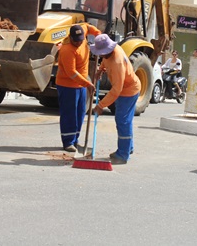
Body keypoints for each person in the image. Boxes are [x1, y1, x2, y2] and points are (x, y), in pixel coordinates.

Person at [91, 34, 141, 165]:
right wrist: (101, 70)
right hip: (126, 88)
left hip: (129, 90)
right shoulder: (110, 52)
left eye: (102, 53)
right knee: (125, 120)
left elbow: (116, 90)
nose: (101, 56)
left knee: (122, 120)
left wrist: (101, 105)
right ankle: (127, 148)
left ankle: (123, 154)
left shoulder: (117, 62)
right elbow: (105, 61)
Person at [55, 23, 101, 152]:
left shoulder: (82, 31)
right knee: (69, 114)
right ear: (70, 38)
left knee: (80, 112)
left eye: (81, 41)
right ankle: (68, 142)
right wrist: (87, 83)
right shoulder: (67, 50)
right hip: (67, 85)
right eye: (76, 42)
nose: (79, 44)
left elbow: (88, 26)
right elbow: (72, 73)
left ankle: (76, 140)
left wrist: (98, 35)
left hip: (81, 84)